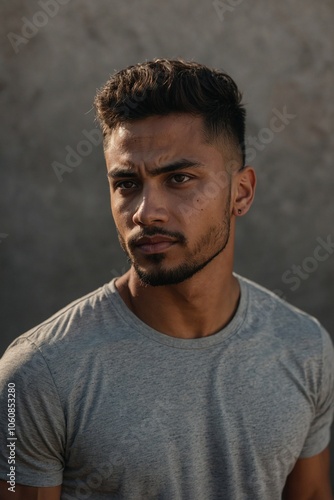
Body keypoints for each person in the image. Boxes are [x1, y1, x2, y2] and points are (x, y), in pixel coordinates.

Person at [0, 59, 333, 500]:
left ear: (242, 192)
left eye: (178, 178)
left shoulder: (304, 345)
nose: (145, 212)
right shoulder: (36, 373)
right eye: (126, 183)